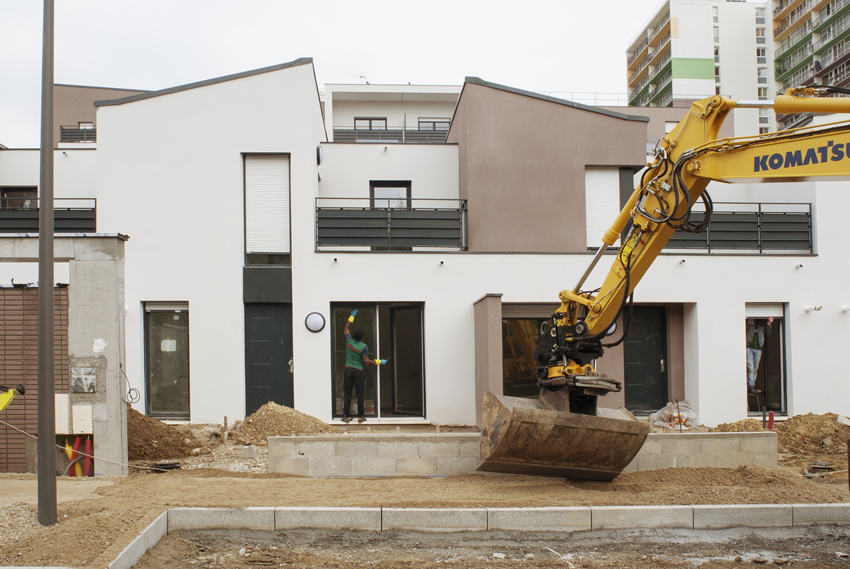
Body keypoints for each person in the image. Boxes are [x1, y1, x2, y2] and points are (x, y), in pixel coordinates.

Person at [342, 309, 388, 423]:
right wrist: (379, 362)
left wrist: (352, 316)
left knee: (347, 394)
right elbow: (366, 361)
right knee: (360, 394)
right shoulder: (364, 346)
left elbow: (346, 328)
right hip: (358, 371)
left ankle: (346, 416)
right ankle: (361, 416)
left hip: (348, 370)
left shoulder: (349, 341)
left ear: (353, 336)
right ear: (361, 337)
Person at [746, 317, 773, 395]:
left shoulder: (762, 324)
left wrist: (769, 323)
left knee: (755, 368)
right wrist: (748, 323)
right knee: (750, 367)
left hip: (758, 348)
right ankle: (750, 386)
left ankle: (752, 386)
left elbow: (768, 333)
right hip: (749, 347)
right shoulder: (749, 323)